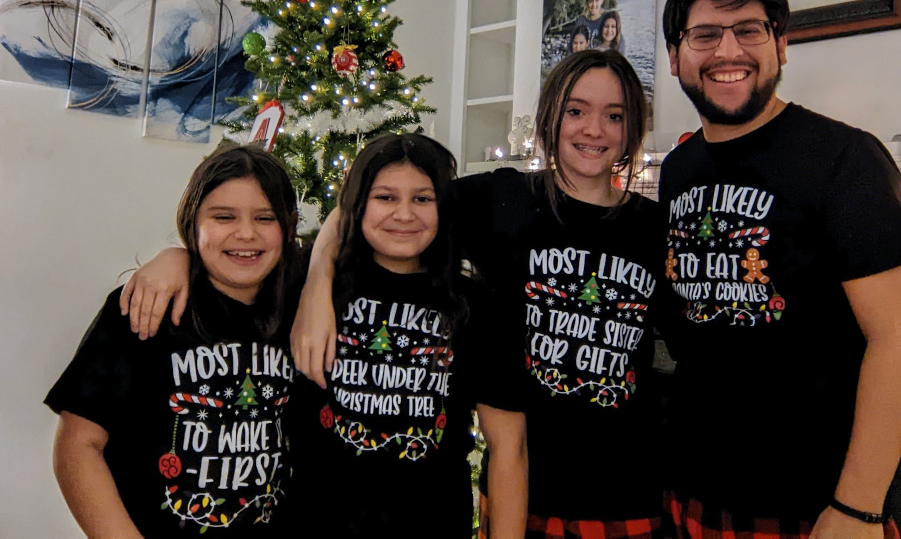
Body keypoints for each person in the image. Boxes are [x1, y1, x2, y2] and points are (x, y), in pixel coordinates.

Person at [295, 50, 672, 538]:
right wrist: (317, 281)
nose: (593, 129)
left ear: (633, 126)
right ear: (550, 116)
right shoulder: (501, 198)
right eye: (576, 110)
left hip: (623, 488)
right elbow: (371, 200)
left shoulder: (655, 228)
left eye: (614, 115)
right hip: (523, 490)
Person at [117, 136, 528, 538]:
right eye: (385, 197)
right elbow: (235, 260)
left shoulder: (475, 305)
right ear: (357, 205)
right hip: (314, 523)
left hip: (432, 522)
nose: (404, 214)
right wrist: (177, 256)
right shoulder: (298, 287)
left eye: (423, 198)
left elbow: (509, 449)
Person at [658, 0, 901, 538]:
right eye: (705, 35)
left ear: (782, 45)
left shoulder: (846, 158)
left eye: (749, 30)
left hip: (813, 501)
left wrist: (859, 507)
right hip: (691, 483)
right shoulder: (679, 168)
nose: (727, 50)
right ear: (676, 56)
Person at [46, 145, 303, 537]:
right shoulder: (144, 307)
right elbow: (79, 445)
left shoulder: (302, 310)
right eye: (223, 217)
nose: (246, 233)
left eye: (265, 218)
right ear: (191, 221)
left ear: (288, 225)